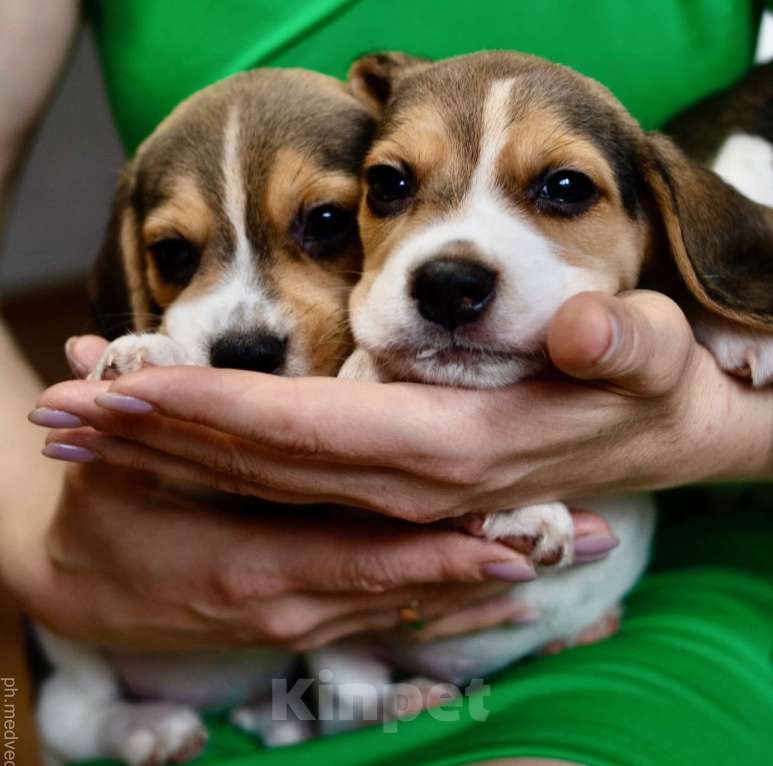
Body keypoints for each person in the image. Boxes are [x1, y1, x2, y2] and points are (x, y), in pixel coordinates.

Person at [3, 1, 772, 765]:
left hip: (681, 578)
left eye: (563, 188)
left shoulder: (670, 218)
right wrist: (42, 558)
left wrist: (706, 422)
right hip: (228, 648)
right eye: (392, 186)